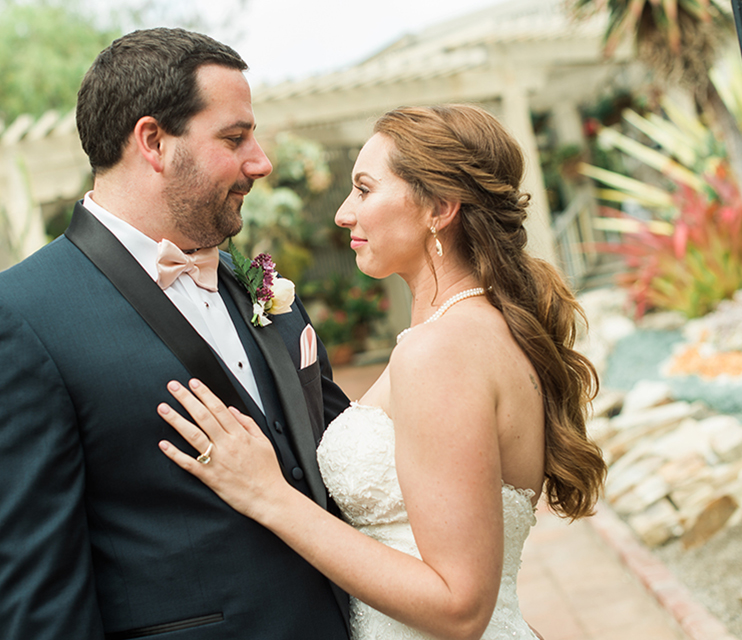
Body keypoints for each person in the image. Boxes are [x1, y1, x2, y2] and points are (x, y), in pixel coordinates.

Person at [0, 28, 351, 640]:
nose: (260, 161)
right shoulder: (15, 319)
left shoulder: (260, 286)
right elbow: (37, 604)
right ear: (154, 141)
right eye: (235, 138)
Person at [155, 104, 608, 640]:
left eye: (365, 190)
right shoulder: (480, 327)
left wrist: (266, 494)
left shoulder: (440, 350)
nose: (344, 213)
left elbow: (458, 607)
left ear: (440, 207)